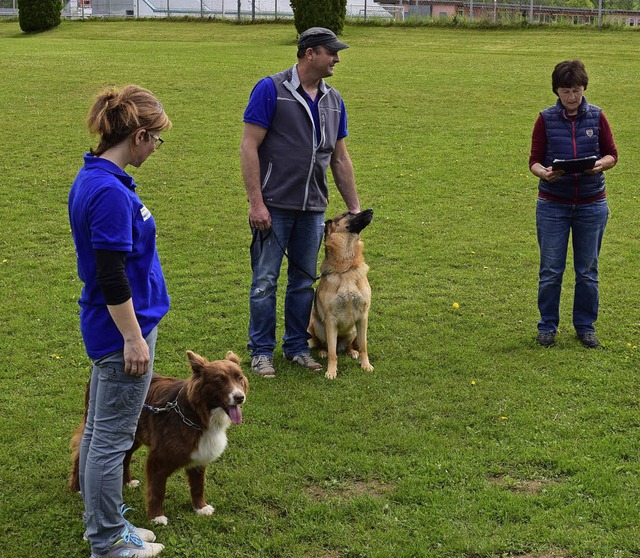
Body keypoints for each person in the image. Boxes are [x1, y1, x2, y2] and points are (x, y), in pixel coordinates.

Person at [68, 85, 171, 558]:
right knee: (112, 439)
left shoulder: (100, 178)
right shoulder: (107, 191)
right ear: (140, 135)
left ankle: (107, 525)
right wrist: (133, 338)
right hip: (119, 334)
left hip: (117, 328)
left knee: (99, 433)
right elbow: (110, 275)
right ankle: (107, 541)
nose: (157, 148)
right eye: (157, 139)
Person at [240, 27, 363, 378]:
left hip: (313, 209)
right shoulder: (270, 90)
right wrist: (256, 203)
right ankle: (261, 352)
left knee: (302, 281)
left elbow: (339, 158)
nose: (337, 58)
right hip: (273, 206)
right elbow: (249, 146)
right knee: (264, 281)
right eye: (332, 52)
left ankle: (296, 346)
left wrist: (353, 207)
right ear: (310, 53)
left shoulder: (334, 100)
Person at [529, 60, 618, 349]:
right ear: (556, 90)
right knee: (551, 270)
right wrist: (544, 172)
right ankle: (547, 327)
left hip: (592, 204)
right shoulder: (544, 118)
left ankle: (585, 326)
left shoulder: (597, 116)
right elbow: (534, 160)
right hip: (552, 204)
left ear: (584, 89)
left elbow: (612, 155)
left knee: (587, 271)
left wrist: (600, 165)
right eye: (566, 91)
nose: (572, 97)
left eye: (577, 91)